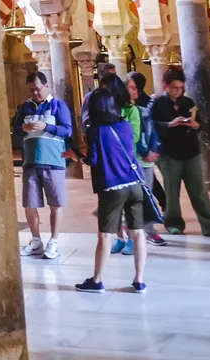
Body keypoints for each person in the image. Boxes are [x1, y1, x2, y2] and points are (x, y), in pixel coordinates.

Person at [76, 73, 149, 293]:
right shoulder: (125, 125)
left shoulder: (95, 131)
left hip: (112, 187)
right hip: (134, 184)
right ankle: (139, 280)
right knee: (138, 233)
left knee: (105, 235)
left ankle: (97, 280)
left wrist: (75, 156)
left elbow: (93, 160)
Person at [149, 66, 210, 237]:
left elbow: (200, 123)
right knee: (172, 191)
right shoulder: (157, 104)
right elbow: (151, 126)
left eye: (180, 88)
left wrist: (195, 125)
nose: (178, 91)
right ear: (165, 86)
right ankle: (173, 223)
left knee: (198, 190)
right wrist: (169, 124)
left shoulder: (188, 103)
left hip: (191, 151)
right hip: (169, 153)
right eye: (174, 88)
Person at [11, 70, 70, 260]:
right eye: (31, 91)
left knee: (56, 203)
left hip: (53, 162)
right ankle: (36, 240)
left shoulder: (58, 105)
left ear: (46, 86)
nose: (34, 93)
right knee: (29, 204)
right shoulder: (25, 108)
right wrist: (22, 128)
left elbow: (67, 131)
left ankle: (53, 242)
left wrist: (47, 127)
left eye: (37, 89)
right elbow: (15, 130)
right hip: (30, 162)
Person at [120, 71, 166, 250]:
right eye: (131, 88)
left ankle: (144, 230)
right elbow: (131, 137)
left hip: (145, 161)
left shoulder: (141, 110)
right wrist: (144, 151)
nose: (135, 91)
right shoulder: (119, 112)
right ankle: (136, 232)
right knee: (135, 199)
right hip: (132, 160)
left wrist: (154, 150)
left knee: (145, 197)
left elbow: (150, 131)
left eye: (135, 87)